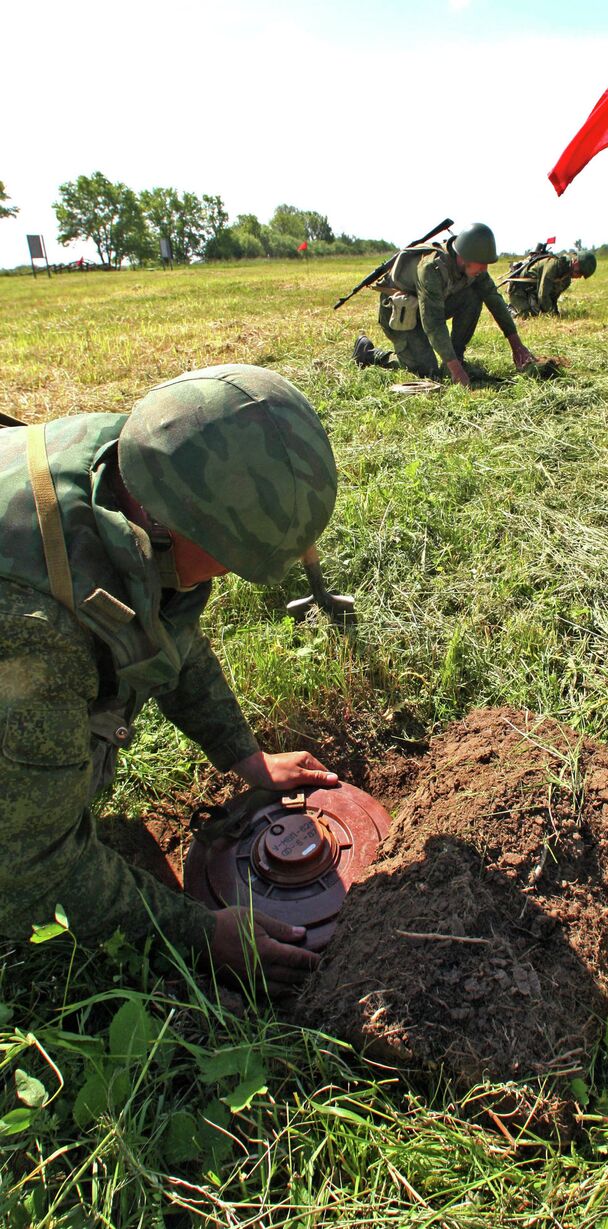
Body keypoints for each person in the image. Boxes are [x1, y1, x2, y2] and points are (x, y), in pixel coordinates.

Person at [0, 364, 340, 990]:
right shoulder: (38, 632)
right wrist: (198, 933)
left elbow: (158, 629)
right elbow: (27, 872)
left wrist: (245, 756)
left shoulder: (139, 460)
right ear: (173, 525)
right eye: (229, 560)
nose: (229, 576)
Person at [352, 223, 535, 388]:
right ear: (463, 258)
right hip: (401, 314)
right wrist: (456, 370)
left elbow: (493, 298)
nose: (485, 270)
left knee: (474, 294)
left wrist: (517, 346)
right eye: (482, 264)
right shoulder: (431, 269)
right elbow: (433, 322)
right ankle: (369, 354)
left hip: (426, 308)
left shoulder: (474, 270)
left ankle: (456, 355)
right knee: (426, 369)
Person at [505, 249, 597, 318]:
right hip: (519, 290)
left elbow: (553, 298)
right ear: (575, 261)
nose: (579, 276)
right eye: (580, 272)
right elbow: (543, 295)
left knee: (540, 314)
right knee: (527, 316)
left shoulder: (566, 280)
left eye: (582, 275)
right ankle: (508, 310)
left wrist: (555, 312)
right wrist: (552, 315)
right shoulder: (553, 266)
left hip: (533, 294)